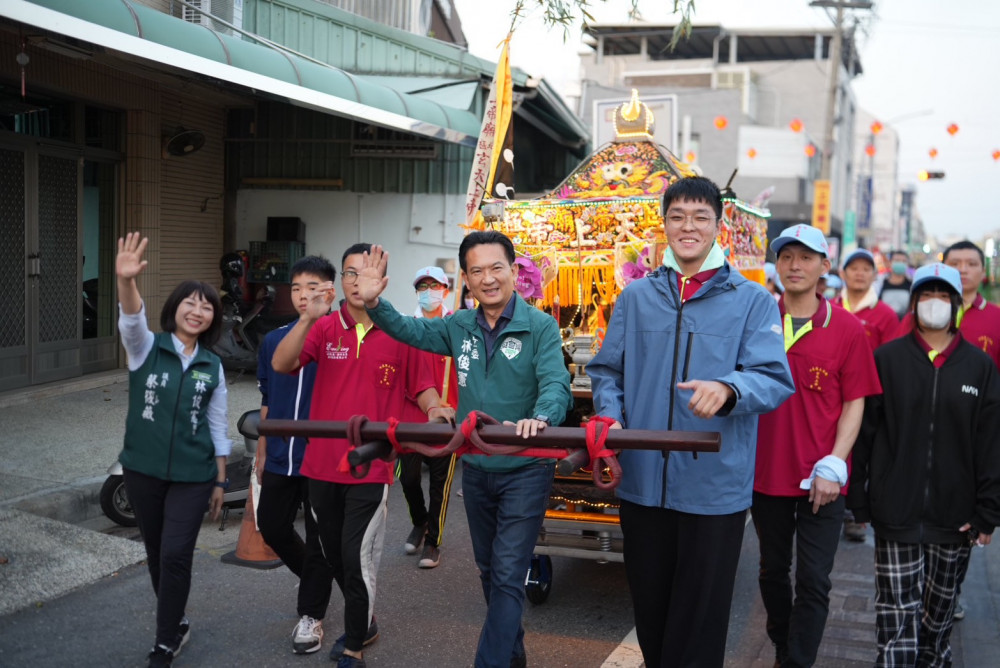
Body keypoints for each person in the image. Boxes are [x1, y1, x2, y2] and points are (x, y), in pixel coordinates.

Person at [586, 176, 795, 668]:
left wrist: (728, 389)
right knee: (652, 617)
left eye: (701, 217)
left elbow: (773, 378)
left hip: (713, 488)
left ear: (718, 227)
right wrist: (611, 417)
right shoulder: (636, 297)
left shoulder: (753, 301)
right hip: (642, 484)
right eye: (678, 216)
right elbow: (605, 370)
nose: (688, 227)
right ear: (664, 224)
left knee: (699, 627)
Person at [358, 231, 573, 668]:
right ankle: (512, 658)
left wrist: (543, 415)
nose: (489, 278)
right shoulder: (458, 326)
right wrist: (374, 303)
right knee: (491, 573)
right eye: (478, 271)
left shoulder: (540, 325)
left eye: (497, 268)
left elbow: (556, 383)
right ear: (466, 280)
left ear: (514, 271)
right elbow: (409, 330)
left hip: (526, 467)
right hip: (475, 465)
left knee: (510, 574)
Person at [271, 243, 449, 668]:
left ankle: (354, 642)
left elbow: (422, 387)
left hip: (371, 465)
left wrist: (435, 408)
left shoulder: (401, 330)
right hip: (320, 465)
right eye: (350, 273)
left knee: (356, 556)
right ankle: (364, 621)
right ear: (340, 283)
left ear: (381, 282)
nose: (357, 281)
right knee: (332, 553)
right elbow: (282, 363)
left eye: (366, 274)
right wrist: (306, 318)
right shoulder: (324, 328)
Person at [847, 263, 1000, 667]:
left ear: (955, 304)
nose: (934, 303)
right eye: (926, 295)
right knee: (896, 617)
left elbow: (990, 442)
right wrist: (859, 500)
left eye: (942, 296)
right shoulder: (887, 359)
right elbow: (865, 434)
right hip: (894, 510)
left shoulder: (979, 367)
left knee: (938, 619)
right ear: (913, 304)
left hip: (956, 517)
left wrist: (988, 511)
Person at [753, 224, 882, 668]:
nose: (795, 266)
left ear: (825, 267)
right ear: (776, 265)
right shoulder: (759, 319)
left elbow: (855, 401)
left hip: (821, 478)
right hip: (765, 473)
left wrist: (835, 463)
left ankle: (797, 661)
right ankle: (785, 645)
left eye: (806, 258)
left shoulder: (845, 327)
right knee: (771, 572)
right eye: (787, 257)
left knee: (813, 579)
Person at [115, 232, 230, 668]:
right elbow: (131, 317)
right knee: (157, 553)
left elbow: (218, 425)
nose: (198, 311)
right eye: (191, 302)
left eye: (207, 306)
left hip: (194, 474)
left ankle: (164, 642)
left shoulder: (213, 365)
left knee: (176, 552)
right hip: (142, 471)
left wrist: (221, 478)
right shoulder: (145, 347)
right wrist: (126, 281)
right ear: (175, 308)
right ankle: (176, 619)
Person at [254, 256, 333, 578]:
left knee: (320, 538)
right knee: (272, 528)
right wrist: (261, 450)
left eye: (312, 287)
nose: (303, 295)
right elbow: (267, 398)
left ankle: (312, 600)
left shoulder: (338, 338)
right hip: (280, 457)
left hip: (320, 459)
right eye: (297, 287)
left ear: (329, 290)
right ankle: (316, 579)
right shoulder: (275, 340)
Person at [398, 265, 459, 568]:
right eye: (422, 287)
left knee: (440, 483)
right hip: (410, 416)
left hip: (448, 418)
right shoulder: (408, 327)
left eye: (433, 286)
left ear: (445, 290)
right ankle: (419, 521)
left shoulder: (457, 326)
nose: (428, 292)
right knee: (408, 478)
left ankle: (433, 542)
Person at [836, 248, 900, 350]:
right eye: (854, 268)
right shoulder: (828, 309)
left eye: (866, 269)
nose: (860, 273)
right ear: (842, 274)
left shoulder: (887, 315)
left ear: (874, 275)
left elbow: (890, 358)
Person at [879, 250, 912, 318]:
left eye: (903, 261)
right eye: (897, 260)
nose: (900, 263)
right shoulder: (880, 284)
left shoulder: (911, 285)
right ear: (890, 262)